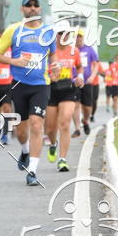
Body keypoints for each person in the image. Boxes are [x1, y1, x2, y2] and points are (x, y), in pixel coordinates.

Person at [0, 0, 56, 187]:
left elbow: (52, 55)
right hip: (19, 84)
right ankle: (25, 150)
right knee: (22, 131)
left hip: (41, 85)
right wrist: (14, 61)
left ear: (40, 9)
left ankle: (33, 171)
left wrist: (53, 69)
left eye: (35, 5)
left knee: (37, 125)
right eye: (28, 5)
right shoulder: (13, 30)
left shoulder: (48, 31)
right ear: (22, 9)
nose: (32, 8)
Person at [45, 27, 84, 172]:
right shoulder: (48, 51)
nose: (64, 35)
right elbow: (40, 68)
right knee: (50, 128)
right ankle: (53, 143)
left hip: (68, 88)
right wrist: (48, 76)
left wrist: (80, 77)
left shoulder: (75, 51)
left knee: (65, 122)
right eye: (61, 33)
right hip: (51, 89)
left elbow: (79, 67)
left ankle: (62, 159)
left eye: (67, 33)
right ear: (56, 35)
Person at [74, 29, 98, 134]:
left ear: (83, 37)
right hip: (74, 81)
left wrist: (92, 76)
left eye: (80, 36)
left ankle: (85, 121)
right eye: (76, 36)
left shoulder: (89, 49)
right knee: (76, 104)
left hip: (87, 82)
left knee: (88, 107)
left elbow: (96, 64)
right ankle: (77, 128)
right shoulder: (71, 50)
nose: (78, 38)